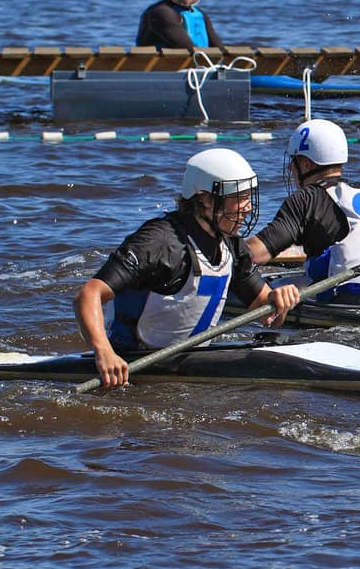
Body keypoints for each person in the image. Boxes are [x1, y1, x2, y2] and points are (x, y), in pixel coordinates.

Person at [75, 148, 300, 389]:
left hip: (188, 362)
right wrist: (104, 353)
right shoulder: (160, 241)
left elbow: (268, 315)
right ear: (205, 199)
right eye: (239, 197)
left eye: (248, 197)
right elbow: (88, 295)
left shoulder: (231, 245)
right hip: (132, 360)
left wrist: (279, 301)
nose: (247, 207)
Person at [246, 118, 360, 300]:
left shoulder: (307, 197)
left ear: (306, 164)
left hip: (357, 292)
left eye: (294, 160)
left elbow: (256, 254)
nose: (290, 167)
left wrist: (222, 249)